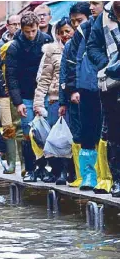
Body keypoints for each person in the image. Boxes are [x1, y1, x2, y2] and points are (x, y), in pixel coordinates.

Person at [5, 11, 53, 183]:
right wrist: (18, 102)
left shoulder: (46, 40)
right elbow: (11, 76)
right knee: (28, 133)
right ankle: (31, 169)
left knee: (45, 132)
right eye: (27, 31)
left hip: (44, 92)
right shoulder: (15, 47)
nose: (31, 35)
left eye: (33, 31)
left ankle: (45, 168)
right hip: (25, 95)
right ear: (22, 30)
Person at [34, 18, 76, 185]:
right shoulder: (51, 51)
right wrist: (38, 103)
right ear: (57, 33)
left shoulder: (80, 47)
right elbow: (44, 79)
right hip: (55, 99)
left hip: (74, 98)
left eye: (68, 31)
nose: (65, 35)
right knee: (56, 137)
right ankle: (59, 172)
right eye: (62, 32)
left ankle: (72, 171)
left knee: (73, 137)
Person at [87, 1, 120, 197]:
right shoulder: (104, 17)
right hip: (111, 84)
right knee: (115, 133)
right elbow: (92, 47)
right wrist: (108, 64)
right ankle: (117, 180)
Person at [59, 2, 94, 188]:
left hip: (95, 91)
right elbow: (65, 73)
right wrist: (68, 95)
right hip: (76, 94)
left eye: (79, 21)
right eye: (73, 22)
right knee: (78, 134)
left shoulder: (94, 35)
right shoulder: (70, 44)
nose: (75, 25)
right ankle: (83, 175)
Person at [0, 14, 22, 174]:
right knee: (8, 126)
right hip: (2, 91)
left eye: (18, 24)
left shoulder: (23, 43)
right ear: (7, 26)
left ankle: (24, 165)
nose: (15, 27)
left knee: (21, 126)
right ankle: (11, 163)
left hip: (20, 90)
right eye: (13, 24)